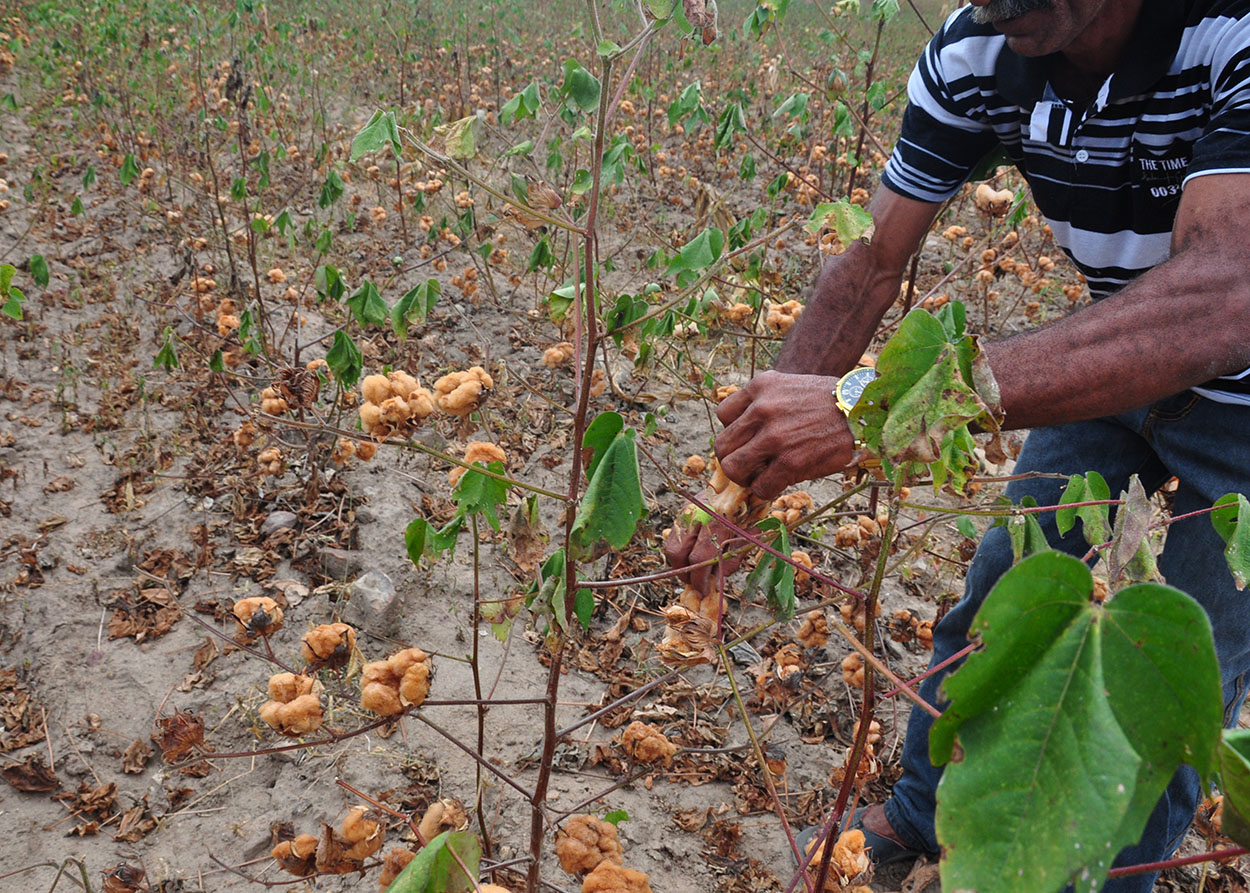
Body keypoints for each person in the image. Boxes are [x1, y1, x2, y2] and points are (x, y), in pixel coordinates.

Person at [665, 0, 1250, 889]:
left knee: (1159, 683)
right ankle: (919, 820)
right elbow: (868, 264)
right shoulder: (979, 48)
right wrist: (737, 488)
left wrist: (872, 409)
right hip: (1114, 355)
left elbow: (1223, 296)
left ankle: (1087, 872)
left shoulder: (1232, 33)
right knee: (1004, 604)